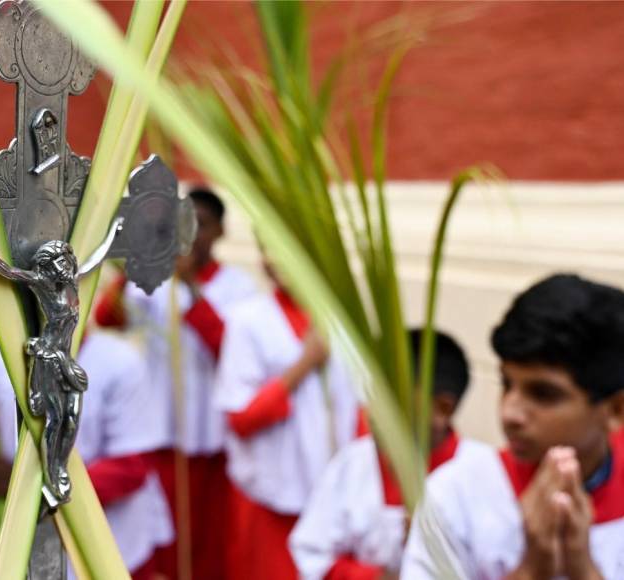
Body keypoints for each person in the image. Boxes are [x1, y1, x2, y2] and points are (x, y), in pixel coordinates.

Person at [401, 274, 624, 579]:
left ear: (615, 410)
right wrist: (531, 569)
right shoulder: (455, 496)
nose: (510, 413)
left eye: (543, 394)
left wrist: (583, 569)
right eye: (507, 384)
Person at [93, 186, 256, 579]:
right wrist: (132, 267)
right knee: (162, 539)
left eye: (202, 224)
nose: (192, 233)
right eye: (184, 223)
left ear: (219, 233)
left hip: (208, 438)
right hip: (160, 430)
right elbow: (106, 318)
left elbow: (226, 349)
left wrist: (191, 289)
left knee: (206, 542)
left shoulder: (238, 288)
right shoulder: (153, 277)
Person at [0, 300, 174, 579]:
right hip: (27, 538)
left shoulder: (118, 361)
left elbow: (132, 466)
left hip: (109, 537)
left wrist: (28, 487)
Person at [215, 252, 360, 580]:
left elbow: (363, 412)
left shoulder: (346, 320)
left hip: (334, 503)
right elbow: (241, 420)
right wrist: (303, 365)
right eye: (267, 248)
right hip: (272, 504)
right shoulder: (248, 319)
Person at [290, 328, 471, 580]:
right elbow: (312, 554)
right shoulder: (353, 463)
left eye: (391, 399)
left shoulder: (474, 477)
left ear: (442, 407)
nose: (374, 412)